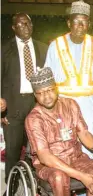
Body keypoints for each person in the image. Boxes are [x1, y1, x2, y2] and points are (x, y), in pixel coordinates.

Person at [25, 67, 93, 196]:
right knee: (59, 177)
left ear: (56, 88)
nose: (46, 96)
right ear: (35, 95)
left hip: (75, 158)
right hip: (49, 166)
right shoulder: (34, 119)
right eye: (40, 93)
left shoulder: (70, 105)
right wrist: (81, 176)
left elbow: (84, 133)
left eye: (49, 90)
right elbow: (45, 157)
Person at [44, 0, 93, 159]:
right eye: (76, 22)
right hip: (63, 104)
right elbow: (48, 80)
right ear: (68, 23)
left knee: (88, 149)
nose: (79, 26)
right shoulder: (55, 45)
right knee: (64, 146)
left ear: (89, 24)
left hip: (89, 105)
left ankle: (87, 182)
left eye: (83, 22)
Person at [1, 12, 48, 183]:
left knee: (36, 149)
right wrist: (1, 111)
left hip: (37, 105)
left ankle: (34, 184)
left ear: (32, 25)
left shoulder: (43, 48)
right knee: (13, 150)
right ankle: (11, 186)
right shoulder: (4, 50)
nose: (25, 27)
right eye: (20, 24)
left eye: (27, 23)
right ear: (14, 28)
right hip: (12, 106)